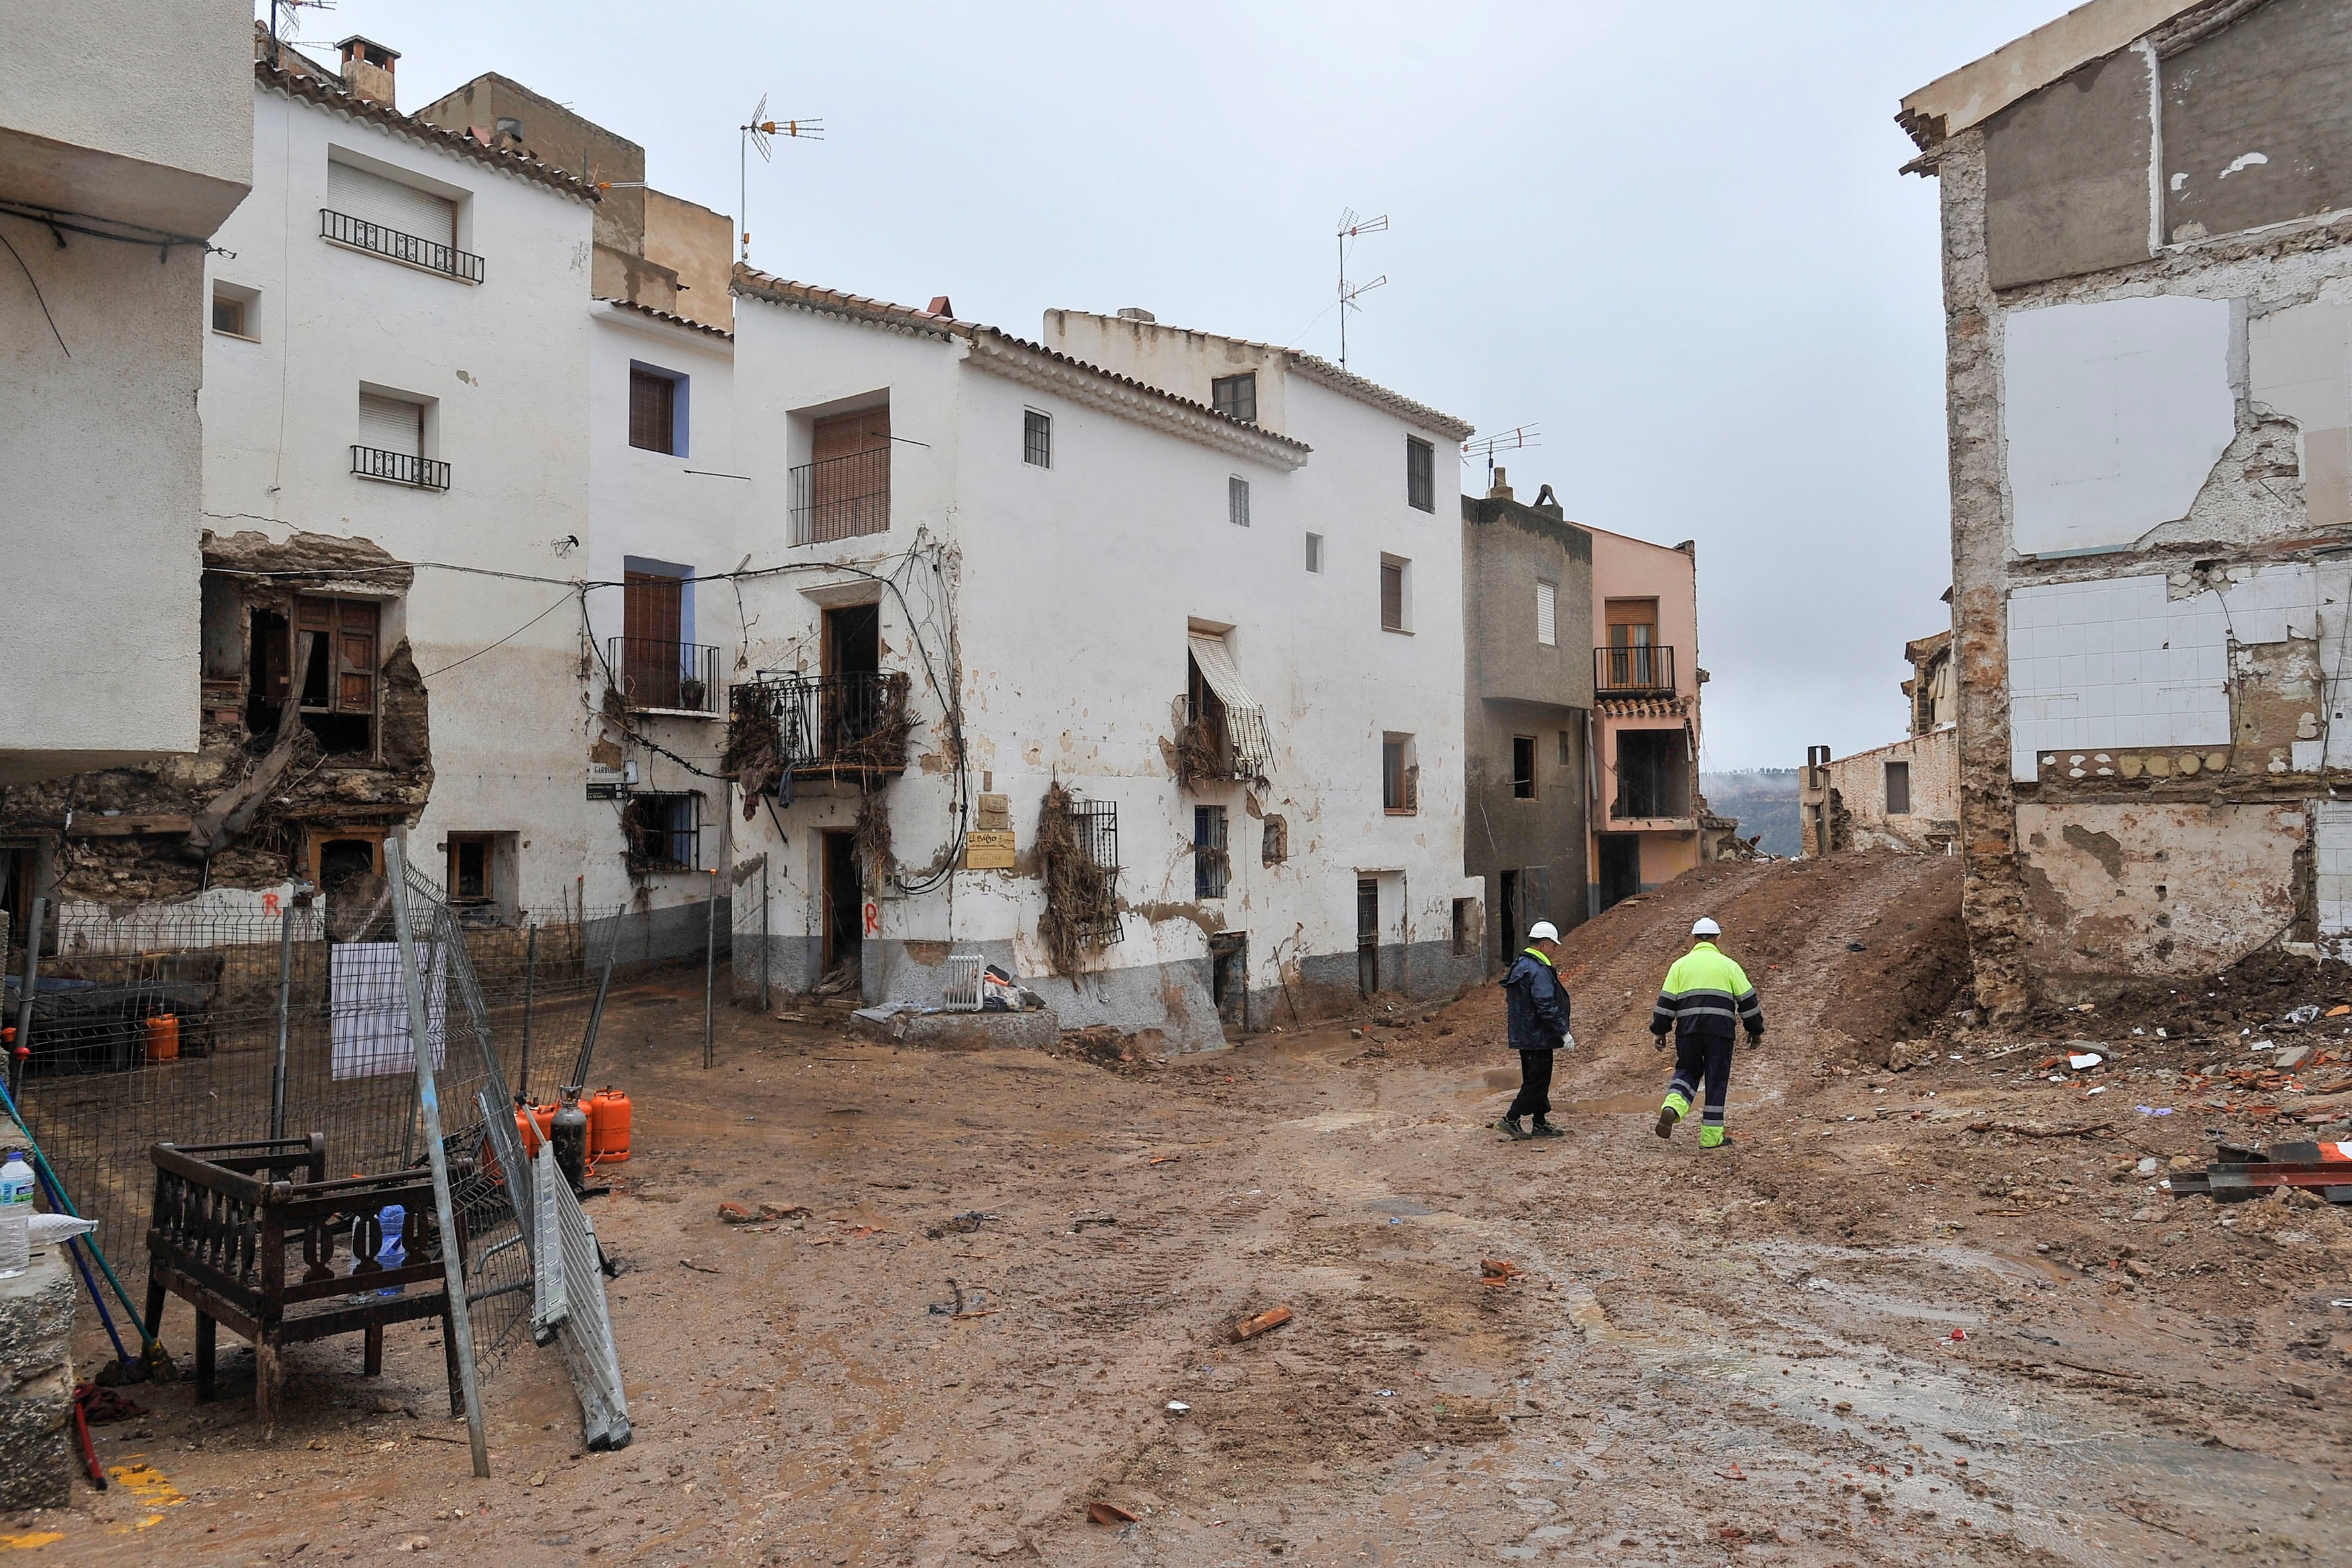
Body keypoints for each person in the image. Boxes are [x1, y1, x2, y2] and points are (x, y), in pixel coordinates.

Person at [1650, 917, 1764, 1150]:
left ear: (1693, 939)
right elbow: (1748, 1002)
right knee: (1716, 1080)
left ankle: (1673, 1106)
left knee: (1688, 1071)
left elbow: (1665, 1005)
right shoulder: (1729, 965)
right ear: (1717, 939)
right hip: (1720, 1033)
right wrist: (1754, 1030)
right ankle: (1711, 1138)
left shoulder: (1679, 966)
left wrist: (1660, 1031)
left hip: (1688, 1031)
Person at [1498, 921, 1574, 1141]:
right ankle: (1511, 1119)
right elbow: (1546, 1005)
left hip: (1527, 1035)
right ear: (1544, 944)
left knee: (1537, 1079)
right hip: (1538, 1036)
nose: (1555, 950)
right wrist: (1563, 1031)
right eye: (1553, 945)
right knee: (1537, 1081)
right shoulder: (1538, 970)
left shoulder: (1522, 964)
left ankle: (1540, 1122)